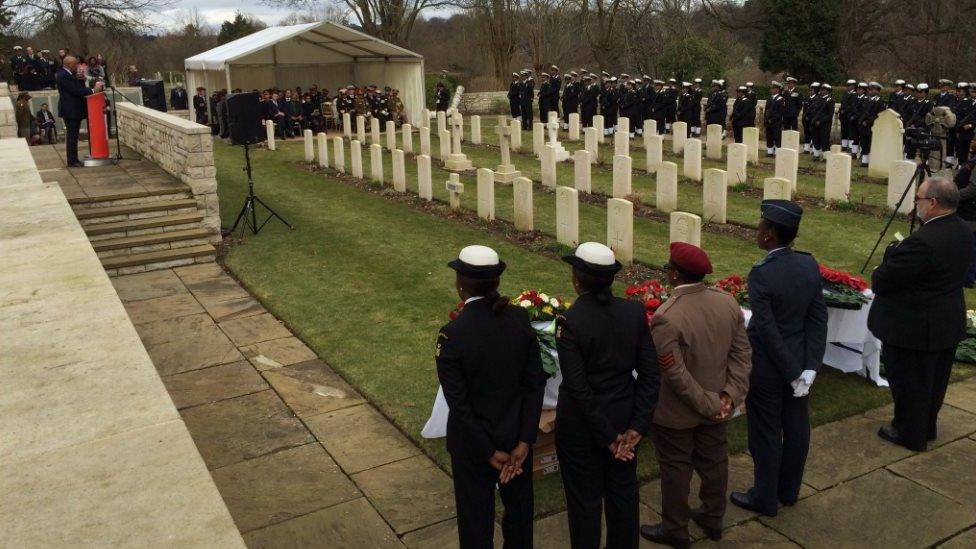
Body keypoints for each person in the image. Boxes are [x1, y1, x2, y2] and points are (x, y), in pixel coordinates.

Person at [640, 243, 752, 549]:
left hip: (679, 412)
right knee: (714, 461)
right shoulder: (726, 302)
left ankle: (675, 528)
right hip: (718, 404)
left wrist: (712, 403)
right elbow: (742, 355)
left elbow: (675, 375)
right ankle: (713, 518)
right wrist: (728, 397)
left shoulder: (666, 317)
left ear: (674, 274)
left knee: (676, 467)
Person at [437, 245, 547, 548]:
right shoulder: (519, 320)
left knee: (475, 521)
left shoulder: (453, 335)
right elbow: (534, 384)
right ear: (496, 283)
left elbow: (458, 404)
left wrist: (487, 450)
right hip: (515, 439)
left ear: (460, 285)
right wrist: (524, 440)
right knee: (520, 517)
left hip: (474, 447)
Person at [556, 242, 659, 549]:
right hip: (624, 418)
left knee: (585, 504)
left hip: (583, 429)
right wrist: (636, 428)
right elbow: (651, 374)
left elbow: (578, 388)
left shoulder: (570, 321)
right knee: (623, 496)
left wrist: (608, 437)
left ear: (577, 280)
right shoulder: (633, 312)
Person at [730, 200, 827, 518]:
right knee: (797, 428)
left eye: (760, 227)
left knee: (766, 432)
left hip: (771, 369)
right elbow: (817, 320)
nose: (757, 231)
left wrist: (793, 372)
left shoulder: (762, 275)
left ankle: (765, 497)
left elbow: (767, 330)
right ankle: (788, 490)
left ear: (769, 234)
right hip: (799, 363)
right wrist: (809, 367)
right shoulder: (808, 264)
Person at [869, 177, 974, 451]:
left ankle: (909, 433)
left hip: (914, 325)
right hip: (946, 320)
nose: (916, 205)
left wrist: (892, 256)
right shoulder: (963, 230)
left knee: (910, 382)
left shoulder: (924, 241)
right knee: (934, 381)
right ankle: (927, 425)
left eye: (919, 199)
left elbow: (883, 280)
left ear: (933, 203)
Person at [56, 56, 103, 167]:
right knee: (72, 136)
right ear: (69, 64)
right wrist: (93, 90)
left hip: (72, 109)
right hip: (70, 110)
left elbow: (76, 87)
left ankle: (73, 159)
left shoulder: (67, 74)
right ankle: (72, 161)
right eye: (75, 64)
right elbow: (75, 91)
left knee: (73, 136)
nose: (77, 66)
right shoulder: (64, 75)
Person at [764, 81, 786, 156]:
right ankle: (770, 151)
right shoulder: (769, 98)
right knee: (769, 136)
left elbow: (779, 113)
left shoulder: (781, 99)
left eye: (773, 88)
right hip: (768, 121)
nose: (771, 90)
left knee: (777, 137)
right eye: (771, 88)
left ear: (777, 90)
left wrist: (772, 119)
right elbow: (766, 110)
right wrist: (765, 119)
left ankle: (777, 152)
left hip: (776, 122)